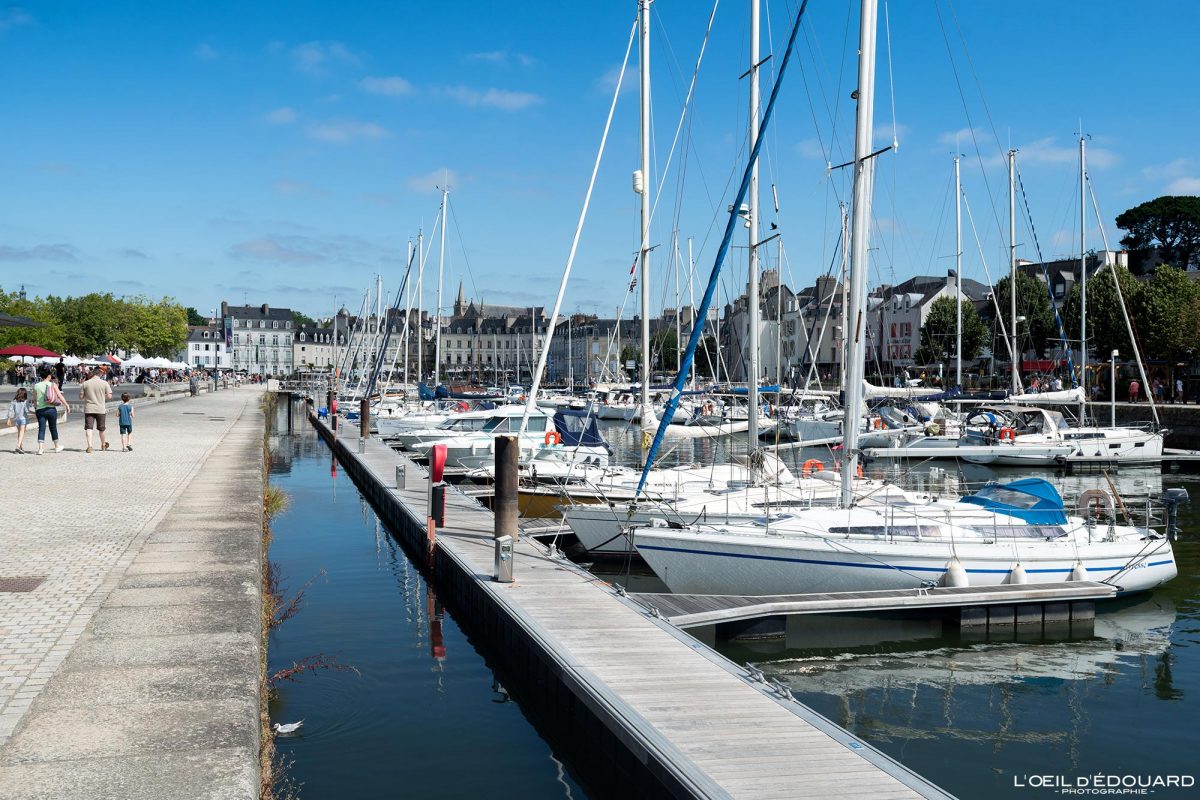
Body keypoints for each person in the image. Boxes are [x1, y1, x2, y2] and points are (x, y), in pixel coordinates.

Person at [32, 367, 69, 454]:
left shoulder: (36, 386)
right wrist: (66, 405)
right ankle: (56, 447)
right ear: (48, 376)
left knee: (41, 428)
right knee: (53, 428)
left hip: (40, 410)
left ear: (41, 376)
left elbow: (34, 399)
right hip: (51, 409)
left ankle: (40, 449)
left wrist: (36, 408)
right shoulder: (52, 385)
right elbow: (59, 396)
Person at [79, 367, 113, 453]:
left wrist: (88, 396)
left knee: (89, 428)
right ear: (100, 374)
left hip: (89, 408)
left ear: (93, 374)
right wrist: (101, 396)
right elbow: (109, 396)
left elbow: (81, 397)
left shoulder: (85, 383)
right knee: (102, 429)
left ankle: (90, 446)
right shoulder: (104, 383)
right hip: (100, 409)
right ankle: (103, 445)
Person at [6, 387, 32, 453]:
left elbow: (10, 410)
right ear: (25, 394)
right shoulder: (25, 401)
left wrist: (9, 419)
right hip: (23, 418)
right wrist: (35, 412)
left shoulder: (13, 401)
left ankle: (20, 447)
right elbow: (27, 411)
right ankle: (18, 446)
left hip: (17, 419)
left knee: (19, 433)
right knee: (22, 433)